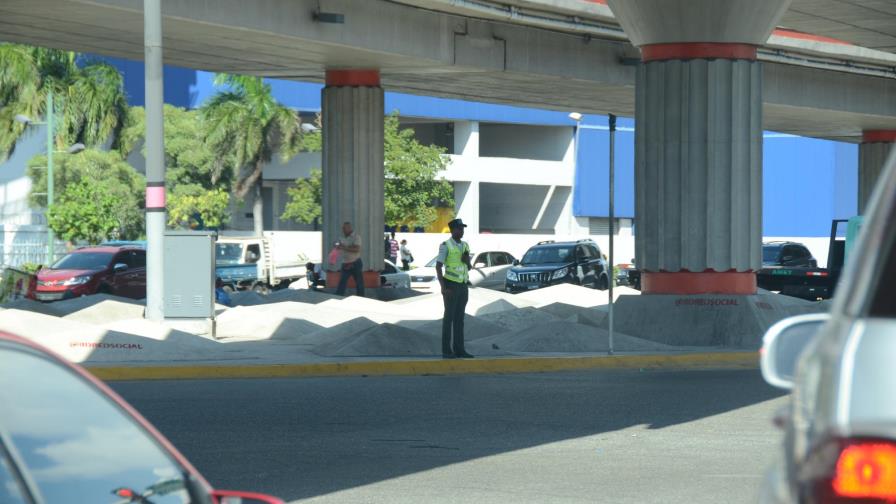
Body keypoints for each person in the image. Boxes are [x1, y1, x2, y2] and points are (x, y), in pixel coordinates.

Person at [436, 218, 474, 359]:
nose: (462, 231)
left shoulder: (465, 245)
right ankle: (446, 351)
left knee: (459, 319)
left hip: (463, 285)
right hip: (450, 285)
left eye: (462, 229)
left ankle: (459, 349)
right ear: (452, 230)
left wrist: (467, 262)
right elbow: (438, 266)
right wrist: (443, 288)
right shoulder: (445, 245)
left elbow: (468, 267)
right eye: (459, 228)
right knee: (449, 318)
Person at [336, 221, 364, 296]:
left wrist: (344, 247)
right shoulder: (341, 237)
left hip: (355, 262)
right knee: (342, 282)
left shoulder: (356, 237)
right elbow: (338, 245)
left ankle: (361, 297)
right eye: (342, 228)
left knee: (359, 283)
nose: (343, 230)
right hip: (345, 262)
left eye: (344, 228)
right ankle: (338, 296)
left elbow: (356, 249)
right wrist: (338, 245)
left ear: (349, 228)